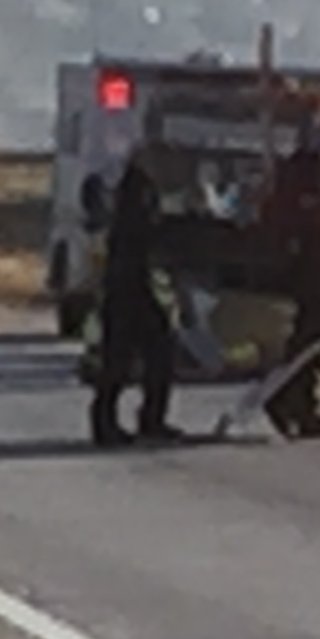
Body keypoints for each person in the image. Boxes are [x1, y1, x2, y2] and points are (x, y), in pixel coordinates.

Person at [89, 156, 180, 448]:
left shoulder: (131, 184)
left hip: (131, 285)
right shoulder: (133, 188)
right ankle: (111, 422)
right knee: (122, 358)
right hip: (126, 287)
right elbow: (140, 232)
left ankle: (141, 419)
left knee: (152, 352)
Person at [263, 141, 320, 439]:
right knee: (308, 342)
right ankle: (289, 401)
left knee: (310, 342)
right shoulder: (307, 205)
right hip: (313, 280)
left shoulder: (299, 201)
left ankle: (299, 404)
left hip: (312, 280)